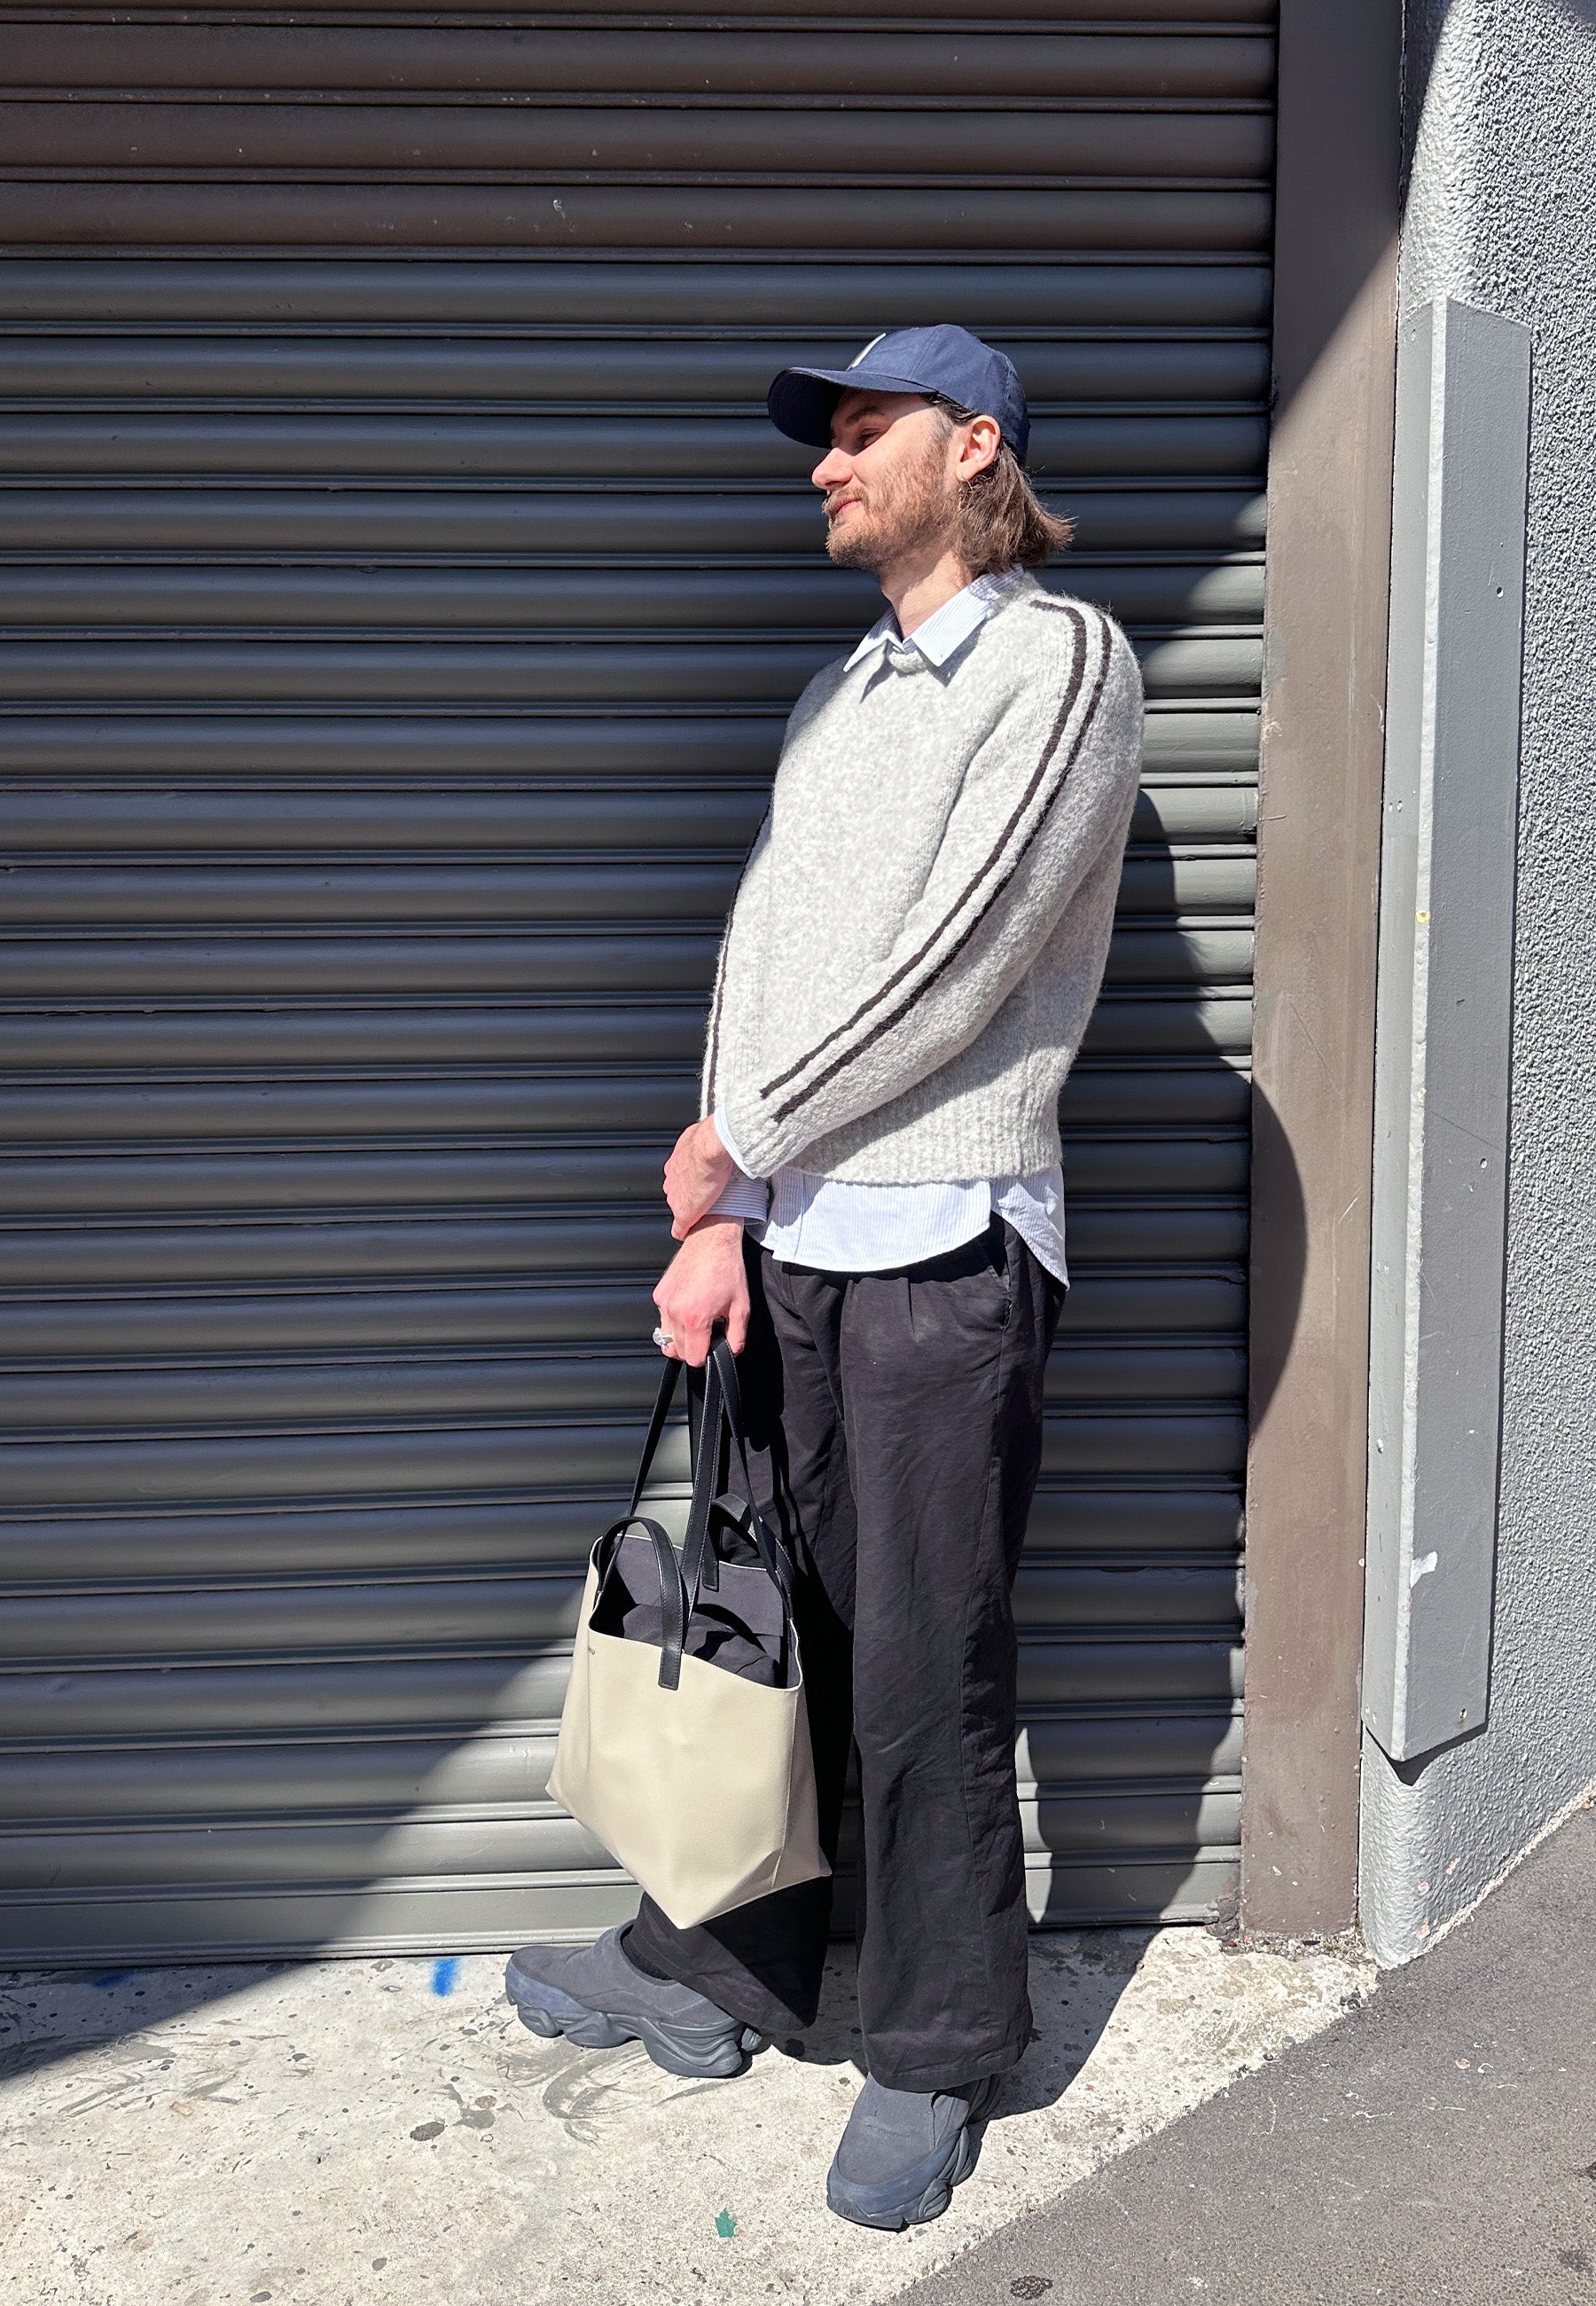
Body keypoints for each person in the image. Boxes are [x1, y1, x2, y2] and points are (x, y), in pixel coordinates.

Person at [505, 325, 1145, 2230]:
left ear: (975, 448)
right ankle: (717, 1966)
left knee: (929, 1654)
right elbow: (756, 953)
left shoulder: (1058, 661)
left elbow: (964, 963)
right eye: (827, 439)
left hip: (948, 1240)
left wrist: (750, 1134)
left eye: (860, 435)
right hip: (793, 1239)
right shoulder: (837, 691)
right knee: (775, 1630)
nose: (824, 466)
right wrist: (720, 1203)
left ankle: (945, 2046)